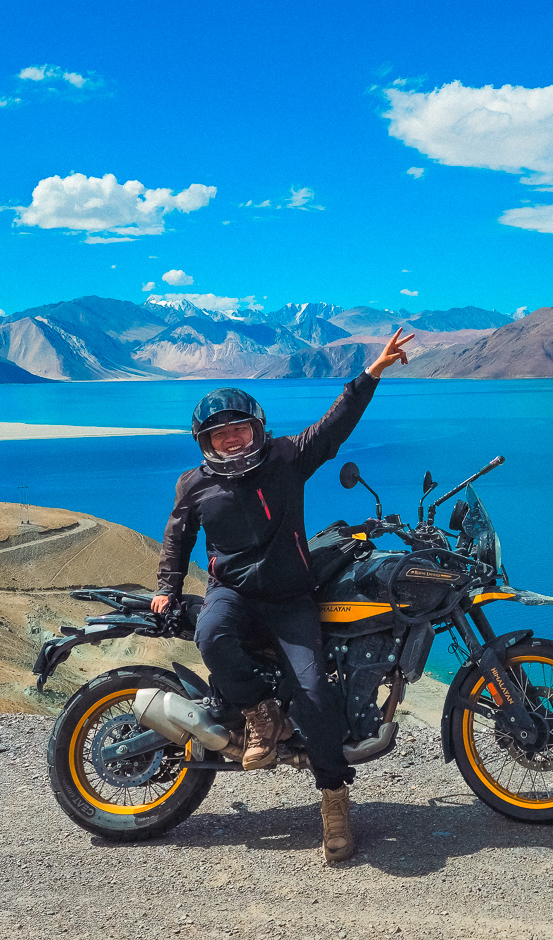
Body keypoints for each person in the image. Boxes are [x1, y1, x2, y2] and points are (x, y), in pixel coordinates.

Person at [150, 328, 415, 864]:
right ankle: (259, 712)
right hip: (233, 593)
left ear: (257, 429)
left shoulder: (287, 457)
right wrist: (165, 588)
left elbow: (332, 429)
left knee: (316, 695)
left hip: (292, 599)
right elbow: (178, 537)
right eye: (220, 433)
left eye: (240, 428)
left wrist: (370, 375)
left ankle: (335, 801)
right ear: (205, 441)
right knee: (210, 631)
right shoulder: (193, 485)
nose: (232, 438)